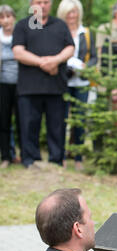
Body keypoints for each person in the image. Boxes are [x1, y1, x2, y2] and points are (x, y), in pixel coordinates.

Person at [12, 0, 75, 169]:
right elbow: (18, 52)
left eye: (46, 2)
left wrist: (56, 60)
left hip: (56, 86)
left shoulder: (60, 25)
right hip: (29, 87)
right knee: (28, 125)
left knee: (57, 126)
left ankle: (56, 159)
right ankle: (30, 159)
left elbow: (70, 48)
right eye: (38, 1)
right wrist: (42, 62)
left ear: (51, 4)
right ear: (32, 4)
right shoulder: (22, 25)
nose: (42, 5)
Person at [57, 0, 97, 171]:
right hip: (63, 82)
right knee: (61, 120)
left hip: (82, 82)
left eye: (74, 12)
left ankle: (78, 157)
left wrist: (85, 67)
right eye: (68, 12)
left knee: (80, 121)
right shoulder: (58, 31)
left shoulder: (86, 33)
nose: (72, 16)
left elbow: (94, 56)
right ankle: (60, 157)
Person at [0, 5, 19, 169]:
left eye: (8, 16)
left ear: (13, 17)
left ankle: (24, 156)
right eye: (2, 17)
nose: (5, 20)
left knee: (23, 122)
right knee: (4, 122)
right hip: (3, 85)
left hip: (22, 85)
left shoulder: (21, 34)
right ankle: (6, 156)